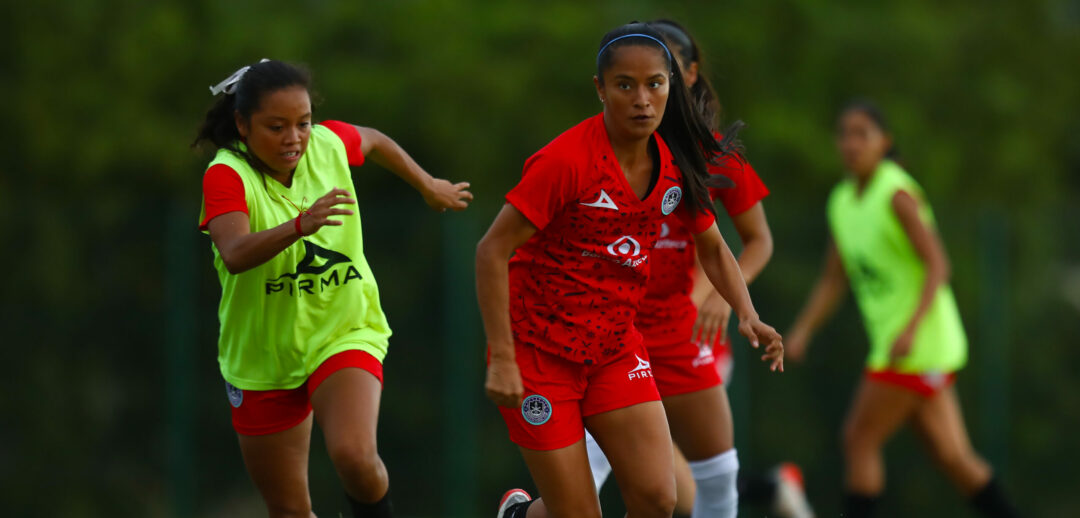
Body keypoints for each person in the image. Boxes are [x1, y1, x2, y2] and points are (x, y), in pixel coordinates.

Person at [475, 23, 783, 518]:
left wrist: (745, 311)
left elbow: (713, 245)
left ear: (673, 88)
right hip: (539, 355)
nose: (642, 99)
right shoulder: (566, 161)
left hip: (615, 347)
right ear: (600, 89)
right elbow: (490, 251)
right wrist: (504, 358)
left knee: (659, 498)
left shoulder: (675, 161)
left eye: (655, 84)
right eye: (625, 85)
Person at [194, 59, 472, 518]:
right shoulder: (226, 175)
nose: (294, 138)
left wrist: (428, 185)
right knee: (288, 509)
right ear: (242, 125)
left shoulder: (327, 143)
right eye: (276, 126)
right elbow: (236, 253)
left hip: (343, 329)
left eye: (303, 123)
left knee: (356, 458)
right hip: (261, 355)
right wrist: (301, 225)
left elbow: (376, 140)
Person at [580, 19, 813, 518]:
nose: (645, 88)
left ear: (685, 75)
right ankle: (769, 489)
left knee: (690, 474)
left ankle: (765, 489)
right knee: (634, 469)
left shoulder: (703, 156)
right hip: (612, 329)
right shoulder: (598, 150)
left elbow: (746, 243)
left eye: (660, 73)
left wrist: (725, 301)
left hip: (683, 328)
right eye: (630, 79)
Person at [785, 100, 1020, 518]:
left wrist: (911, 328)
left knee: (859, 437)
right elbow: (834, 276)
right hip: (901, 344)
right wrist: (803, 330)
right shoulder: (842, 200)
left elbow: (938, 264)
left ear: (885, 142)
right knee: (951, 455)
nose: (852, 144)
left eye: (863, 134)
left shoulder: (896, 193)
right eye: (845, 134)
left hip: (917, 344)